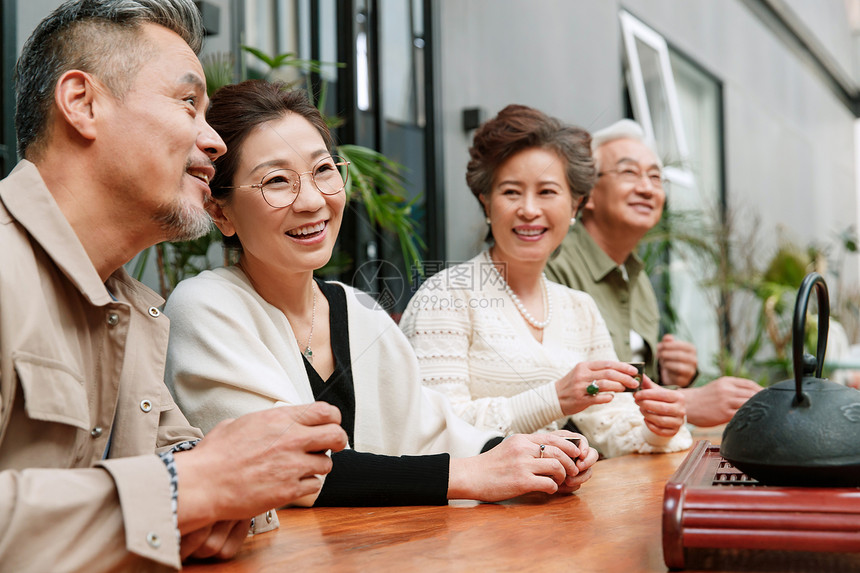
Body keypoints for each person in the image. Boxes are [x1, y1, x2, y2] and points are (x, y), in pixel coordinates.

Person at [0, 2, 349, 571]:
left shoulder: (134, 309)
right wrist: (182, 488)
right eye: (189, 103)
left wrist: (214, 491)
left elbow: (189, 466)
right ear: (82, 103)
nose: (213, 142)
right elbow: (186, 479)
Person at [164, 80, 597, 513]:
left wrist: (537, 456)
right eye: (276, 180)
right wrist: (473, 475)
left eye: (323, 170)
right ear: (220, 212)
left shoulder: (358, 311)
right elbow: (283, 468)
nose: (313, 200)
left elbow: (433, 431)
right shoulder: (204, 308)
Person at [400, 105, 692, 458]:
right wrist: (554, 398)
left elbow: (613, 421)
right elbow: (435, 433)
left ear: (575, 206)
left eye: (547, 192)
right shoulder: (446, 295)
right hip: (469, 509)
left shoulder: (580, 307)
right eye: (510, 192)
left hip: (557, 504)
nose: (528, 209)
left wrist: (658, 427)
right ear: (487, 203)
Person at [544, 119, 762, 427]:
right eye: (629, 172)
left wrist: (673, 376)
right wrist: (684, 401)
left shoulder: (640, 280)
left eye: (656, 177)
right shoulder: (553, 264)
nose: (646, 188)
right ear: (586, 194)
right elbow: (562, 395)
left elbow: (633, 386)